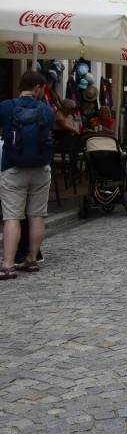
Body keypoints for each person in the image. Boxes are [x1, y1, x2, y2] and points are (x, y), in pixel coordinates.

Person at [0, 71, 55, 280]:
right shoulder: (47, 110)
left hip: (13, 168)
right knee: (36, 215)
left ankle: (7, 265)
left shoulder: (6, 106)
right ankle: (31, 259)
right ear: (38, 88)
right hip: (41, 169)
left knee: (12, 217)